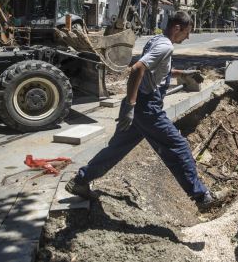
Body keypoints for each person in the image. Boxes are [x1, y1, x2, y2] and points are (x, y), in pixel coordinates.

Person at [65, 11, 217, 209]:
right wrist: (131, 105)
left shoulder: (157, 40)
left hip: (140, 106)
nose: (188, 37)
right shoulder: (166, 45)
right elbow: (137, 69)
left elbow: (155, 70)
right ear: (177, 28)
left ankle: (80, 181)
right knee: (178, 146)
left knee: (116, 149)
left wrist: (183, 73)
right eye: (187, 32)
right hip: (146, 108)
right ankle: (202, 196)